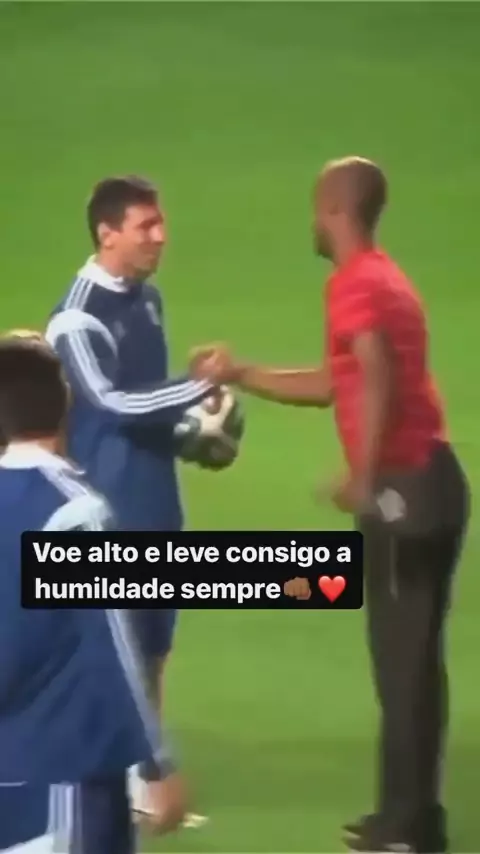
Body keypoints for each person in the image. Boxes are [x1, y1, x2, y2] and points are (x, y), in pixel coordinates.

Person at [190, 156, 470, 854]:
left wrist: (364, 475)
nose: (313, 220)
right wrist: (241, 372)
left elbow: (372, 373)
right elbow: (333, 382)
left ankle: (408, 829)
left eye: (319, 207)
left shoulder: (356, 284)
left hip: (405, 488)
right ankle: (411, 817)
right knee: (411, 661)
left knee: (403, 665)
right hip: (428, 481)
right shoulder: (382, 279)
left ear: (338, 211)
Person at [44, 175, 213, 823]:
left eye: (160, 223)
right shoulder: (76, 318)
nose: (160, 236)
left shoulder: (148, 301)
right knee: (112, 647)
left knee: (153, 644)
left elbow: (149, 402)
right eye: (146, 226)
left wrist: (193, 435)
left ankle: (142, 776)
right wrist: (199, 388)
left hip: (156, 497)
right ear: (107, 233)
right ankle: (102, 779)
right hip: (107, 506)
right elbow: (110, 402)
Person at [0, 336, 186, 853]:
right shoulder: (74, 512)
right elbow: (116, 648)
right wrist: (157, 763)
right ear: (65, 406)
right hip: (65, 775)